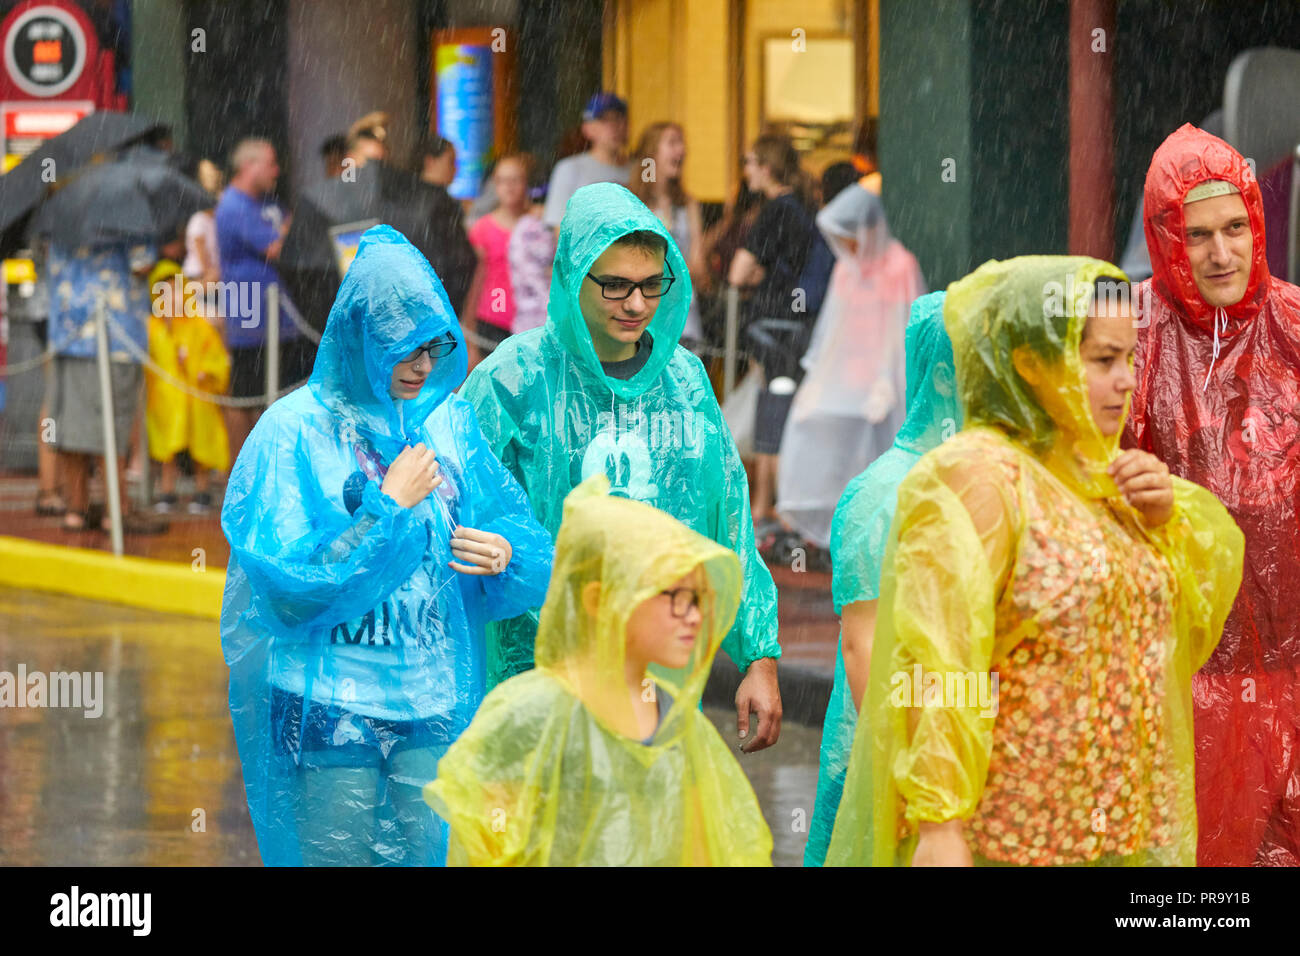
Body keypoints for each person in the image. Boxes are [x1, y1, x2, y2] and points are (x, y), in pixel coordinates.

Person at [825, 256, 1244, 867]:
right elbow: (941, 658)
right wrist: (942, 823)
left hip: (1116, 830)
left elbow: (1185, 633)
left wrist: (1163, 526)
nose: (1126, 380)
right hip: (1014, 833)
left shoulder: (1107, 478)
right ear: (1030, 362)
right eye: (1103, 360)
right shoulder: (977, 477)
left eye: (1129, 357)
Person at [220, 226, 553, 866]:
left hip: (431, 695)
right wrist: (385, 510)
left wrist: (503, 553)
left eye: (435, 346)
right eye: (405, 347)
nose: (424, 365)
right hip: (327, 700)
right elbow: (286, 591)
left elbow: (518, 535)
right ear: (360, 334)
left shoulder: (448, 422)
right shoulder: (293, 431)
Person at [462, 182, 784, 751]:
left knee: (641, 828)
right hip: (534, 674)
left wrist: (758, 654)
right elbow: (459, 512)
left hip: (653, 673)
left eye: (651, 285)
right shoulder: (512, 379)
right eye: (614, 285)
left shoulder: (683, 382)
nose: (637, 304)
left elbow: (727, 511)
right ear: (572, 276)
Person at [423, 474, 773, 865]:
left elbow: (710, 847)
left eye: (698, 598)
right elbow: (484, 846)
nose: (692, 616)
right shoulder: (529, 716)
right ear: (597, 599)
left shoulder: (678, 722)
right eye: (674, 596)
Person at [1123, 123, 1300, 866]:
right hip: (1176, 674)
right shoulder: (1127, 331)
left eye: (1236, 228)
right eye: (1197, 235)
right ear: (1165, 239)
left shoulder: (1295, 324)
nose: (1222, 253)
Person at [803, 290, 960, 866]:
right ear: (943, 377)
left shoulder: (985, 478)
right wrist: (903, 765)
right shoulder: (884, 492)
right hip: (884, 753)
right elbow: (862, 642)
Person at [776, 183, 924, 550]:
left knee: (878, 459)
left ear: (871, 229)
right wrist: (815, 382)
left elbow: (899, 326)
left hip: (882, 382)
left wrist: (888, 380)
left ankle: (878, 539)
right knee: (824, 443)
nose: (850, 245)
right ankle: (838, 536)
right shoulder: (846, 270)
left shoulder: (899, 266)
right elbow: (832, 331)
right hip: (846, 382)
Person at [728, 134, 819, 533]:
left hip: (769, 324)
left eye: (750, 162)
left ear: (766, 166)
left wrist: (760, 276)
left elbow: (737, 274)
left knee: (773, 412)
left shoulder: (773, 212)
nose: (746, 170)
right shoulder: (803, 210)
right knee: (775, 408)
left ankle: (777, 508)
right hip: (799, 326)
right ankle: (764, 503)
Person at [214, 138, 314, 463]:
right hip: (250, 318)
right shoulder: (233, 205)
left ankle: (270, 468)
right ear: (249, 166)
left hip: (280, 319)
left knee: (279, 395)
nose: (276, 171)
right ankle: (239, 473)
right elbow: (278, 246)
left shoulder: (264, 203)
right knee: (245, 397)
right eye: (270, 164)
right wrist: (294, 226)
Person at [145, 261, 230, 515]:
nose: (172, 297)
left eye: (176, 290)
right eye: (165, 292)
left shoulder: (198, 325)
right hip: (166, 400)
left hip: (196, 396)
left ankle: (201, 489)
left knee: (201, 444)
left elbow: (214, 355)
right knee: (167, 448)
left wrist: (207, 371)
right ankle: (167, 489)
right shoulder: (152, 328)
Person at [628, 121, 705, 345]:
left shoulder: (688, 204)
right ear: (651, 152)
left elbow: (699, 267)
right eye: (672, 143)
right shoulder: (632, 202)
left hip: (684, 318)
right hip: (643, 318)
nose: (681, 150)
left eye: (681, 143)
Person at [461, 154, 532, 366]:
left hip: (532, 320)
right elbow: (474, 282)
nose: (509, 187)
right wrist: (469, 332)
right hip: (493, 320)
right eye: (502, 181)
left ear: (526, 183)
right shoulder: (481, 229)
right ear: (495, 185)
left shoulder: (538, 225)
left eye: (515, 180)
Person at [542, 92, 631, 229]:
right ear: (587, 129)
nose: (613, 126)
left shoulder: (643, 167)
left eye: (618, 118)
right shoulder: (569, 169)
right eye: (604, 120)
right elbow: (560, 229)